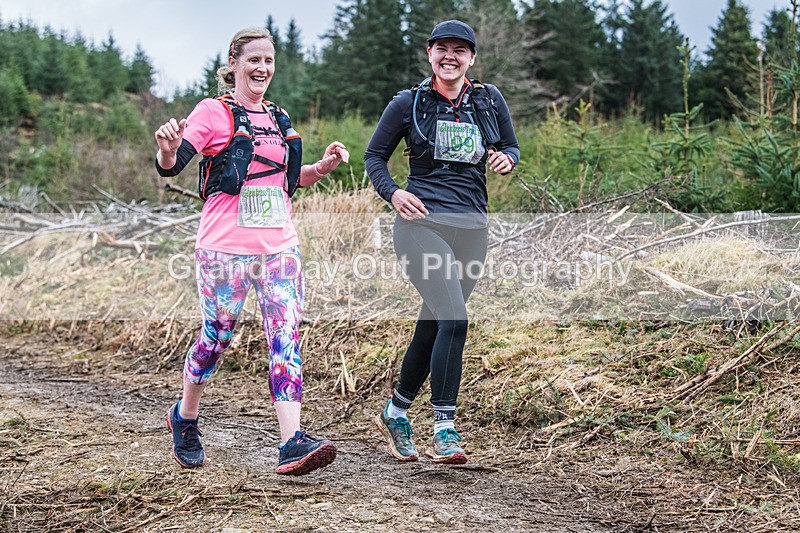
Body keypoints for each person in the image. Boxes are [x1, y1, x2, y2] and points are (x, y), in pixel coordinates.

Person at [154, 27, 349, 475]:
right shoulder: (212, 112)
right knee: (216, 339)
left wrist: (322, 167)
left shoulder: (279, 118)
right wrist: (166, 150)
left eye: (269, 61)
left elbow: (286, 180)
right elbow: (173, 165)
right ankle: (184, 417)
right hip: (224, 250)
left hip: (280, 249)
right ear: (235, 62)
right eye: (254, 60)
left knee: (285, 339)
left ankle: (291, 444)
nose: (262, 68)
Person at [365, 20, 519, 464]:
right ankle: (445, 427)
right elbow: (374, 155)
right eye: (442, 49)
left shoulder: (488, 100)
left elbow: (510, 146)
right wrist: (393, 192)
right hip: (421, 225)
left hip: (472, 229)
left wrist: (506, 159)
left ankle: (395, 412)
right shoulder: (408, 103)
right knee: (455, 318)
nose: (450, 56)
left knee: (435, 323)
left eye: (460, 50)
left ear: (471, 57)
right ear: (429, 54)